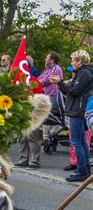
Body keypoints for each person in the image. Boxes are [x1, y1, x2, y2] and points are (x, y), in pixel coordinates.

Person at [50, 50, 93, 182]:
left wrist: (60, 82)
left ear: (80, 61)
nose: (72, 62)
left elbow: (74, 91)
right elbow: (70, 91)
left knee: (76, 141)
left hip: (78, 111)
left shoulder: (84, 73)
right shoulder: (83, 73)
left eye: (73, 60)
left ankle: (82, 170)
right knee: (80, 141)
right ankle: (85, 169)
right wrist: (60, 83)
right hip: (78, 110)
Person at [38, 53, 63, 143]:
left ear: (52, 60)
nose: (45, 59)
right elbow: (39, 79)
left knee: (53, 117)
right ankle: (46, 138)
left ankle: (52, 136)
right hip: (46, 96)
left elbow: (46, 80)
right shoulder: (47, 69)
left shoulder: (56, 69)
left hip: (54, 96)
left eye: (47, 57)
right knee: (46, 116)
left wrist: (39, 83)